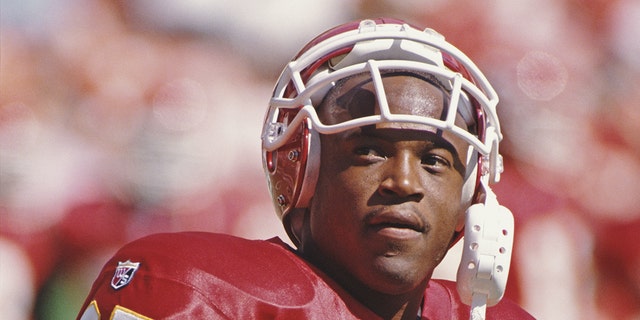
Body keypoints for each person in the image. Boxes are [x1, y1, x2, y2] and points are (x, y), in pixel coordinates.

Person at [76, 18, 533, 320]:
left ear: (471, 193)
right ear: (305, 169)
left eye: (434, 161)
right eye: (370, 151)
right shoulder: (199, 292)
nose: (404, 182)